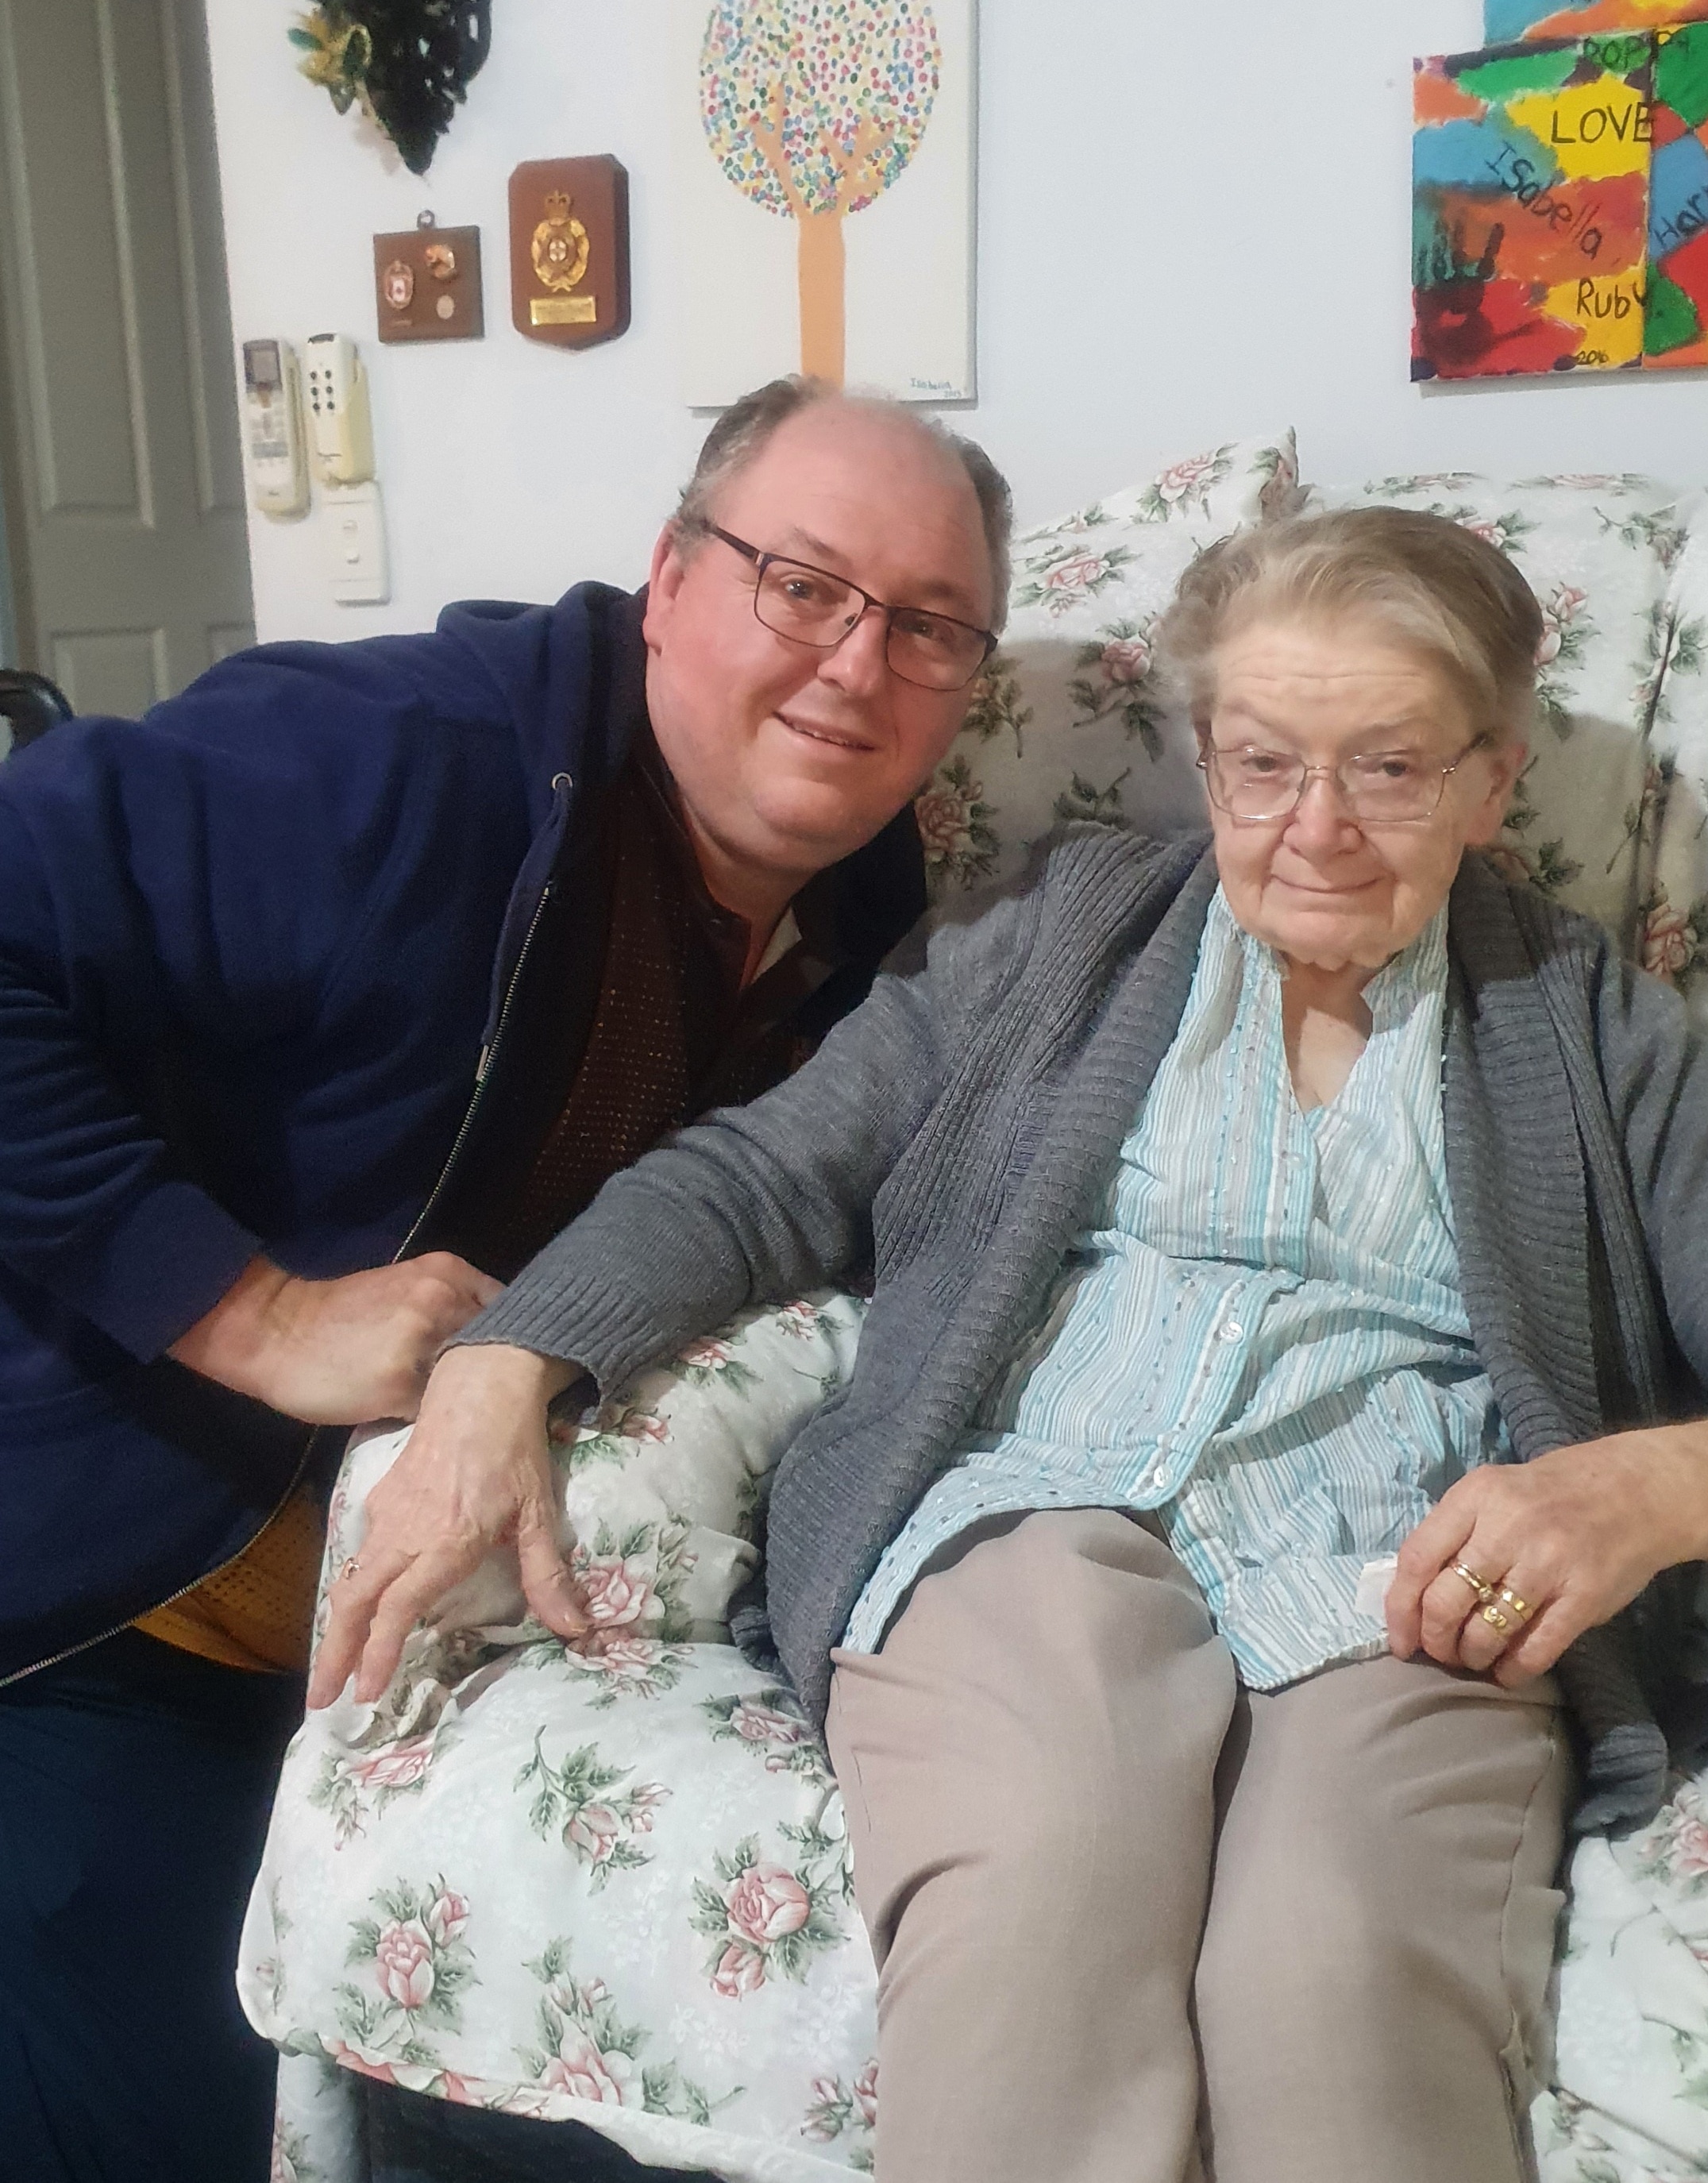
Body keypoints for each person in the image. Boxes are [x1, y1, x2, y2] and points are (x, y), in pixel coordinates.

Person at [321, 507, 1708, 2183]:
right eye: (1263, 762)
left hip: (1399, 1587)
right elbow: (760, 1173)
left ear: (1487, 783)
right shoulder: (1062, 936)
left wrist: (1650, 1489)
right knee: (1048, 1866)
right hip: (1021, 1521)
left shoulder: (1582, 1023)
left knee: (1334, 1966)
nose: (1315, 828)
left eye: (1389, 767)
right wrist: (505, 1359)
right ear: (1203, 759)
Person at [0, 376, 1008, 2183]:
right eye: (801, 583)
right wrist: (257, 1316)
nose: (857, 664)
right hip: (116, 1621)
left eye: (927, 625)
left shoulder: (861, 911)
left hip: (401, 1664)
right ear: (670, 578)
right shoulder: (397, 760)